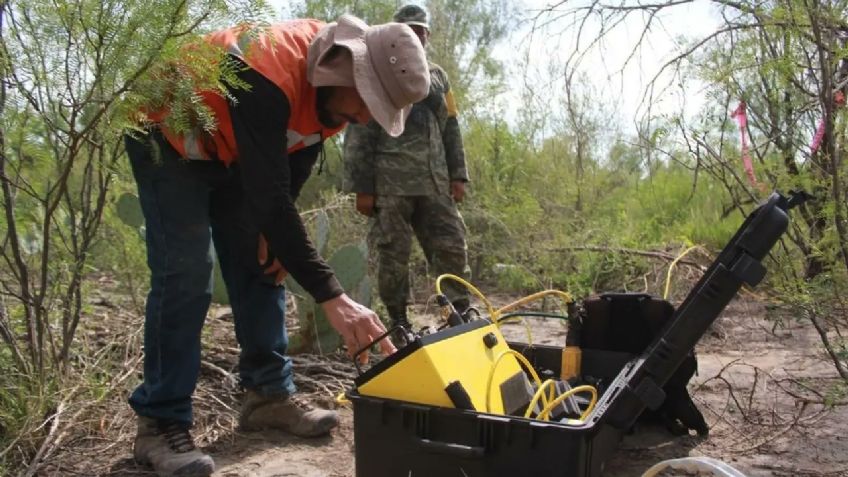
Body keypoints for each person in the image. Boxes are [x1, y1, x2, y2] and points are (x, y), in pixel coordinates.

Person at [125, 14, 429, 476]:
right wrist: (332, 295)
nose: (364, 117)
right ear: (345, 69)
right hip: (168, 132)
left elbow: (296, 156)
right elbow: (266, 191)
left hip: (232, 144)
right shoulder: (268, 72)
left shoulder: (334, 96)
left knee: (265, 257)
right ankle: (159, 424)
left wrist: (277, 232)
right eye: (367, 101)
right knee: (185, 272)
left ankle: (267, 395)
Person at [344, 4, 471, 330]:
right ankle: (399, 323)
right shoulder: (377, 72)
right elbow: (360, 130)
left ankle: (458, 317)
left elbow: (451, 127)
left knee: (452, 249)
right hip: (391, 186)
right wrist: (363, 187)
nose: (419, 36)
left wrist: (458, 175)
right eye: (411, 31)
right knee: (393, 259)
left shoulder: (439, 76)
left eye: (422, 31)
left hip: (435, 184)